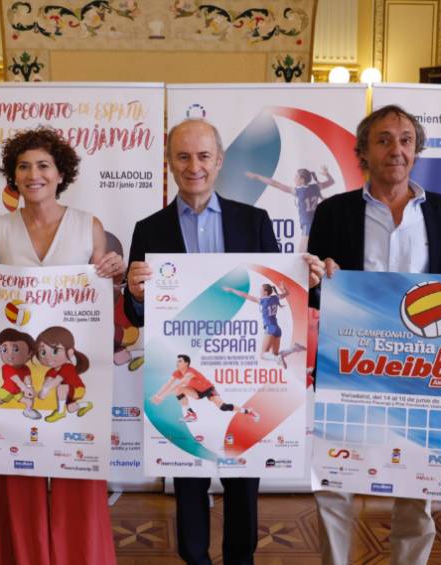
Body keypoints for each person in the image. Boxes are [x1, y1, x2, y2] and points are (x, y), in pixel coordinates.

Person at [306, 104, 441, 565]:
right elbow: (314, 293)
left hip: (421, 374)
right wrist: (320, 278)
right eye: (383, 140)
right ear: (363, 151)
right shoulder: (334, 212)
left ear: (416, 150)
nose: (395, 149)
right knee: (335, 485)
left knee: (417, 491)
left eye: (404, 140)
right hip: (352, 370)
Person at [125, 118, 311, 565]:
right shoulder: (148, 229)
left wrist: (308, 280)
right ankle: (195, 560)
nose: (194, 166)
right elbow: (137, 314)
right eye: (183, 156)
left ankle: (240, 560)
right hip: (186, 372)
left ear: (220, 160)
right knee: (187, 478)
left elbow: (277, 292)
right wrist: (134, 294)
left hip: (242, 372)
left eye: (204, 156)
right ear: (169, 162)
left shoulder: (255, 221)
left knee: (243, 479)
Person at [0, 127, 124, 565]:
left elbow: (103, 295)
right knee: (17, 471)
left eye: (44, 166)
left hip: (70, 367)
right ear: (13, 175)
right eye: (24, 166)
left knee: (77, 471)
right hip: (21, 367)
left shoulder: (88, 225)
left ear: (60, 173)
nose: (34, 175)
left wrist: (115, 272)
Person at [245, 165, 334, 252]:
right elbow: (331, 181)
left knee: (301, 253)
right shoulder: (316, 187)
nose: (294, 178)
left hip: (308, 224)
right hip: (318, 222)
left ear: (302, 179)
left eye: (296, 176)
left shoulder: (299, 191)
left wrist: (257, 176)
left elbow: (275, 184)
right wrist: (327, 174)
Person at [151, 354, 260, 423]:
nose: (177, 363)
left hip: (208, 389)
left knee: (223, 407)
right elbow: (168, 384)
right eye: (177, 361)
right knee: (179, 390)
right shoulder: (177, 372)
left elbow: (178, 384)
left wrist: (162, 397)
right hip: (197, 391)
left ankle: (247, 411)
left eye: (180, 361)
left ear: (186, 363)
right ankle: (191, 414)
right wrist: (157, 395)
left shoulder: (190, 372)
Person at [222, 283, 306, 366]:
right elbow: (287, 294)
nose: (259, 291)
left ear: (265, 292)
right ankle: (294, 349)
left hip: (270, 329)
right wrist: (284, 288)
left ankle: (278, 358)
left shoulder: (262, 301)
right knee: (275, 354)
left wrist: (232, 290)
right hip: (277, 329)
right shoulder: (275, 298)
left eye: (261, 290)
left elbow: (245, 295)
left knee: (263, 355)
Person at [0, 328, 40, 421]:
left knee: (29, 399)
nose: (10, 355)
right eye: (4, 350)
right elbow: (16, 379)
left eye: (16, 350)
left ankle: (28, 410)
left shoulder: (26, 368)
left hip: (18, 392)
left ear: (29, 353)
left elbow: (27, 378)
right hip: (7, 390)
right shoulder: (7, 367)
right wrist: (25, 388)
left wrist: (30, 387)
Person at [34, 326, 93, 422]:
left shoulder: (68, 367)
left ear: (70, 352)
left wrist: (46, 389)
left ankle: (60, 412)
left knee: (61, 388)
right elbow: (48, 381)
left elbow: (57, 380)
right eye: (43, 352)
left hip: (78, 389)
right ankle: (87, 405)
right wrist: (43, 391)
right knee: (71, 408)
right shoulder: (51, 371)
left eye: (55, 351)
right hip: (68, 393)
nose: (48, 357)